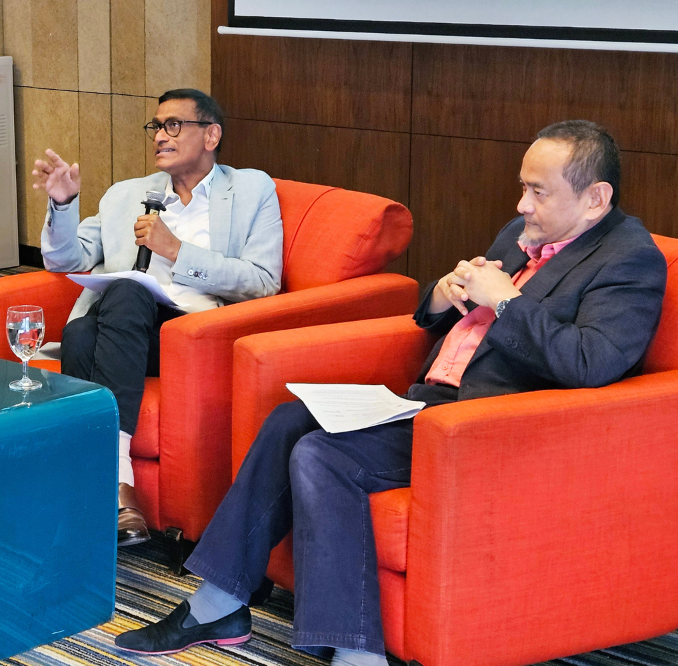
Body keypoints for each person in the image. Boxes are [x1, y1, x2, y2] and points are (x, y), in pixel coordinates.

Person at [114, 120, 667, 665]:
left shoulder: (629, 259)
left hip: (491, 427)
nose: (522, 204)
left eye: (538, 191)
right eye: (523, 187)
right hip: (430, 401)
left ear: (595, 198)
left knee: (321, 454)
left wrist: (506, 303)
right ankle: (221, 603)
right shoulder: (525, 232)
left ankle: (357, 651)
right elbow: (432, 312)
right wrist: (445, 294)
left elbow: (590, 364)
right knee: (288, 421)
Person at [32, 88, 284, 546]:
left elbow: (264, 280)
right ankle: (116, 490)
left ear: (211, 135)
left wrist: (175, 250)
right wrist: (63, 205)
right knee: (88, 329)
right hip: (128, 332)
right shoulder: (124, 194)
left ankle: (92, 487)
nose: (160, 137)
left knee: (99, 319)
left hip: (194, 334)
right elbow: (67, 260)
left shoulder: (251, 189)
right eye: (156, 127)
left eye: (173, 126)